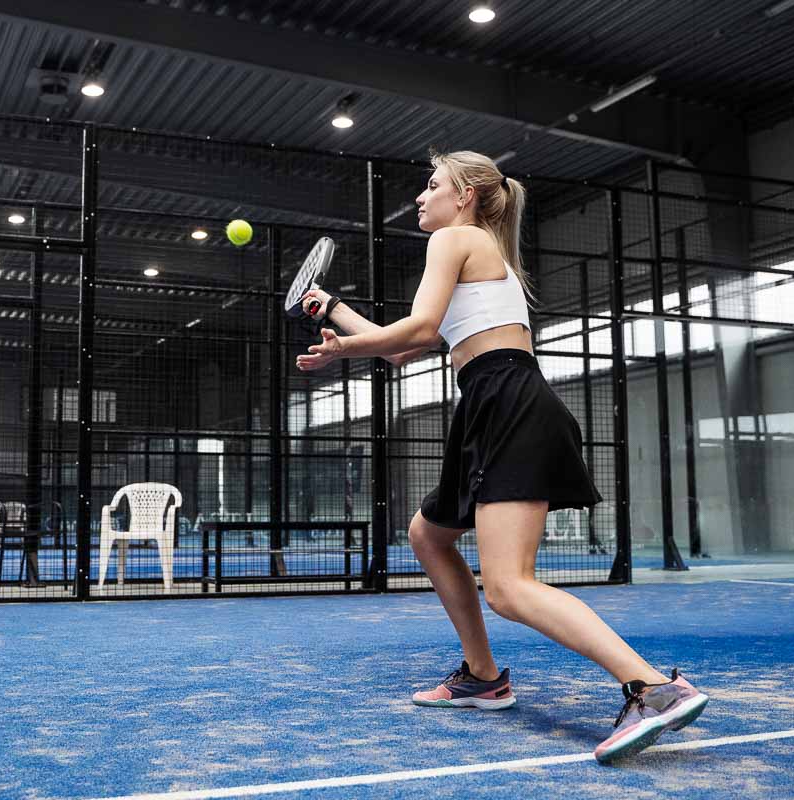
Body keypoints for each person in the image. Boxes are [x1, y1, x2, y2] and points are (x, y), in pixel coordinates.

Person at [296, 150, 707, 764]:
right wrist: (328, 310)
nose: (420, 197)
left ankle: (651, 688)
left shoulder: (456, 238)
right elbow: (407, 349)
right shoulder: (476, 250)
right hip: (490, 403)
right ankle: (483, 678)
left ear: (464, 196)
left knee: (510, 588)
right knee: (429, 535)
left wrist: (340, 353)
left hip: (508, 403)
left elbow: (413, 330)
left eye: (432, 186)